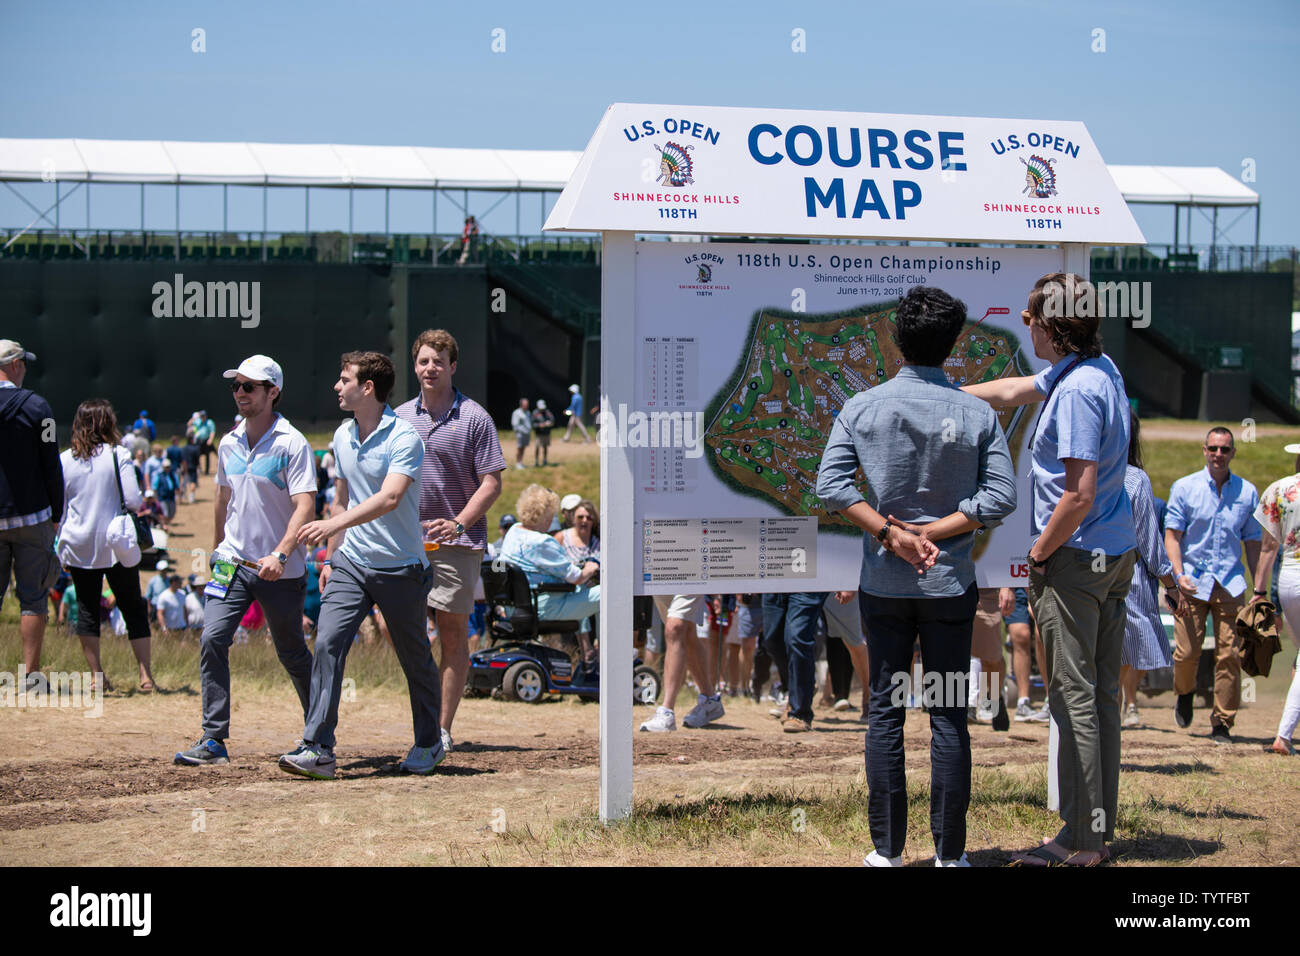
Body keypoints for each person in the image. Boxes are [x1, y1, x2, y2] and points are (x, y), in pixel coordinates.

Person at [819, 285, 1015, 868]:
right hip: (951, 585)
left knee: (884, 710)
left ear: (896, 339)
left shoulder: (862, 405)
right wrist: (937, 532)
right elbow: (1000, 496)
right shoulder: (977, 411)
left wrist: (893, 535)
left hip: (884, 582)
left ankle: (887, 852)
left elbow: (830, 486)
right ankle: (950, 857)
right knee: (949, 712)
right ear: (953, 343)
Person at [962, 273, 1134, 867]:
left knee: (1073, 700)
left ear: (1054, 324)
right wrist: (951, 393)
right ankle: (1097, 830)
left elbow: (1078, 492)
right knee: (1099, 698)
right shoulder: (1092, 370)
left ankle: (1081, 841)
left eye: (1032, 316)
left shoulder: (1080, 389)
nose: (1025, 324)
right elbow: (1012, 390)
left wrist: (1037, 555)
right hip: (1110, 556)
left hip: (1075, 559)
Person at [279, 351, 444, 780]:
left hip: (402, 568)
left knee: (414, 658)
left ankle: (429, 741)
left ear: (367, 388)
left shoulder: (404, 438)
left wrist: (333, 523)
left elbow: (389, 498)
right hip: (351, 562)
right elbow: (340, 498)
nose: (337, 385)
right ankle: (318, 748)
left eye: (344, 378)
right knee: (326, 643)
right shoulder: (340, 435)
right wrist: (333, 556)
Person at [173, 354, 318, 767]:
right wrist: (216, 547)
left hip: (281, 569)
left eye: (249, 386)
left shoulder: (292, 443)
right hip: (231, 563)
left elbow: (305, 506)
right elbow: (223, 499)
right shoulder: (229, 441)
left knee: (291, 652)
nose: (240, 393)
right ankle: (213, 739)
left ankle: (319, 731)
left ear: (273, 392)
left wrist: (281, 552)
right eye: (236, 386)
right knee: (212, 639)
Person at [395, 329, 505, 754]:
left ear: (453, 366)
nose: (430, 368)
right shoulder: (400, 418)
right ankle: (426, 706)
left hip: (458, 544)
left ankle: (439, 729)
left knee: (453, 634)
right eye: (423, 361)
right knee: (394, 625)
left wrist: (459, 523)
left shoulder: (475, 417)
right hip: (405, 541)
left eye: (438, 361)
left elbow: (491, 483)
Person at [1164, 426, 1261, 744]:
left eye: (1225, 449)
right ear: (1205, 451)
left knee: (1230, 654)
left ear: (1233, 453)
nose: (1219, 454)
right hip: (1192, 581)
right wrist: (1178, 576)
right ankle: (1185, 693)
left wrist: (1258, 587)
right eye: (1214, 448)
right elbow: (1172, 536)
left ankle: (1222, 722)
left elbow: (1253, 542)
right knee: (1186, 653)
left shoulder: (1247, 492)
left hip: (1231, 583)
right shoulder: (1185, 487)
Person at [56, 398, 157, 692]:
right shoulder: (119, 454)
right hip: (116, 545)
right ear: (108, 423)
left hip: (78, 544)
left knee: (87, 609)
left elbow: (59, 510)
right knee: (131, 606)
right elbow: (135, 500)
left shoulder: (64, 459)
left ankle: (96, 676)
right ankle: (145, 675)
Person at [0, 339, 64, 693]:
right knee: (33, 598)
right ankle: (31, 677)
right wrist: (57, 512)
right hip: (32, 517)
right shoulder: (39, 407)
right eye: (23, 362)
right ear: (15, 365)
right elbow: (51, 463)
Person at [1121, 411, 1187, 728]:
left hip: (1075, 579)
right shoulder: (1134, 478)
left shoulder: (1067, 471)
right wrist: (1170, 586)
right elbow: (1151, 545)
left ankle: (1127, 703)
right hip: (1124, 582)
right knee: (1130, 647)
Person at [499, 484, 601, 674]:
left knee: (582, 593)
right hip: (542, 607)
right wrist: (592, 566)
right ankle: (601, 655)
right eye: (552, 515)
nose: (553, 520)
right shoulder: (541, 541)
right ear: (544, 515)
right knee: (608, 592)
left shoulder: (513, 531)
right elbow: (575, 576)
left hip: (515, 607)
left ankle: (587, 654)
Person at [1250, 443, 1300, 756]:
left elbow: (1269, 548)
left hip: (1288, 581)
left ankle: (1285, 733)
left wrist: (1258, 593)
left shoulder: (1278, 490)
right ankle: (1283, 734)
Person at [639, 595, 726, 732]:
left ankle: (667, 711)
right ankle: (710, 700)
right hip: (659, 577)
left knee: (675, 627)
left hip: (690, 575)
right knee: (687, 632)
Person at [1001, 587, 1049, 722]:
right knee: (1020, 635)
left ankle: (1051, 700)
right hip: (1014, 584)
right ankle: (1022, 701)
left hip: (1043, 583)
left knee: (1043, 635)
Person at [554, 499, 599, 563]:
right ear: (574, 519)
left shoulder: (598, 541)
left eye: (589, 518)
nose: (584, 520)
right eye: (580, 517)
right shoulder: (561, 538)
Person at [532, 399, 555, 466]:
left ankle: (545, 460)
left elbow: (552, 420)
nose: (542, 410)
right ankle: (536, 462)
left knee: (545, 447)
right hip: (539, 433)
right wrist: (539, 425)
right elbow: (533, 424)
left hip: (546, 433)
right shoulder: (535, 413)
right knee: (537, 447)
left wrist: (549, 423)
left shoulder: (547, 412)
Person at [193, 410, 216, 475]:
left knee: (208, 456)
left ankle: (207, 471)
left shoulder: (209, 422)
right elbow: (191, 425)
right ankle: (198, 469)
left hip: (206, 441)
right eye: (201, 416)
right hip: (199, 441)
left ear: (206, 416)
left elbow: (212, 431)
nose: (202, 417)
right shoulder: (197, 422)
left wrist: (210, 439)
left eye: (203, 416)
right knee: (197, 455)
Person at [511, 397, 532, 470]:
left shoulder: (528, 412)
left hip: (527, 434)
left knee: (523, 448)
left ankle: (521, 462)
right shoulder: (517, 413)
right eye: (525, 404)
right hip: (520, 434)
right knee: (519, 448)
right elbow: (515, 424)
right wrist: (522, 431)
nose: (527, 406)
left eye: (527, 404)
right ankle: (517, 463)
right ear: (521, 405)